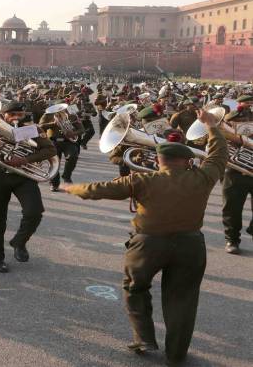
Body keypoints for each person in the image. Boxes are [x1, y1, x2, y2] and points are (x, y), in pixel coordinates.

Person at [61, 110, 227, 365]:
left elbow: (102, 189)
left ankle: (145, 339)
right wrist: (211, 126)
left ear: (159, 160)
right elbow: (218, 154)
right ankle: (176, 354)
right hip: (191, 245)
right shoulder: (203, 177)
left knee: (135, 288)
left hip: (147, 245)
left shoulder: (143, 179)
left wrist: (75, 188)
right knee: (182, 299)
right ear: (187, 161)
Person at [0, 101, 57, 272]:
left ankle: (19, 242)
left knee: (35, 211)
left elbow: (50, 151)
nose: (16, 118)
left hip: (23, 176)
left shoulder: (33, 130)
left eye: (20, 115)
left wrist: (25, 159)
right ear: (3, 115)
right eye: (12, 114)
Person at [222, 95, 253, 254]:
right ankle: (232, 240)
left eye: (251, 102)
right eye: (245, 102)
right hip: (235, 170)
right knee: (232, 209)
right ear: (238, 103)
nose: (248, 105)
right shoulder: (231, 116)